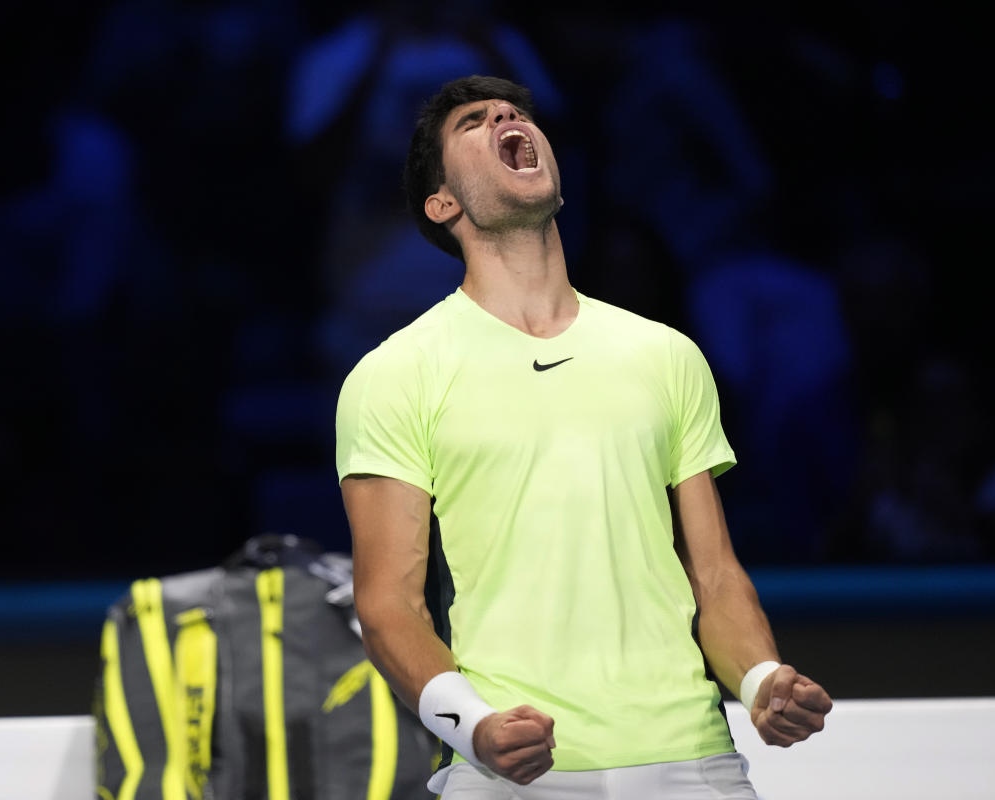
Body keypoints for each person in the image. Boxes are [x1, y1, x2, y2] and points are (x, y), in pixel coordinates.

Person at [335, 75, 832, 799]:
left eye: (514, 112)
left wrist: (761, 680)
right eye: (474, 122)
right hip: (504, 769)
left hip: (691, 760)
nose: (507, 115)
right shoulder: (395, 374)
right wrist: (474, 727)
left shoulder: (666, 355)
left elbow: (715, 576)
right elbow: (388, 607)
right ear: (443, 203)